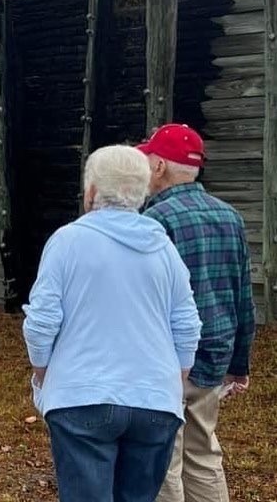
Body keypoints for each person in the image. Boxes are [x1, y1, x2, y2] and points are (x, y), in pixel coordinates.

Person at [22, 145, 202, 502]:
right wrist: (173, 379)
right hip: (155, 402)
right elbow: (187, 324)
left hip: (81, 397)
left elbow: (42, 322)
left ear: (91, 192)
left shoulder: (67, 241)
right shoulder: (163, 247)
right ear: (142, 191)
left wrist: (43, 372)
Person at [138, 123, 256, 502]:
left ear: (159, 168)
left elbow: (144, 299)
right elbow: (242, 295)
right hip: (213, 357)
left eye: (148, 160)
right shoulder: (230, 217)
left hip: (166, 358)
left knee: (162, 458)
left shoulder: (153, 223)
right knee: (204, 452)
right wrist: (240, 363)